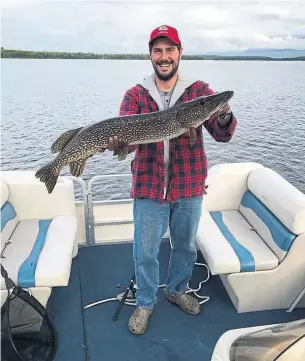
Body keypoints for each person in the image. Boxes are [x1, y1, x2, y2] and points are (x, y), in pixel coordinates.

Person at [105, 25, 237, 335]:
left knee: (185, 247)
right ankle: (146, 302)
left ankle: (177, 289)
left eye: (170, 50)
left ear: (179, 53)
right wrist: (118, 142)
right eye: (158, 51)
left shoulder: (200, 92)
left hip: (189, 187)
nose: (164, 57)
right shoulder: (135, 94)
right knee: (145, 251)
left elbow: (222, 135)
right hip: (149, 187)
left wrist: (222, 114)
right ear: (151, 55)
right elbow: (130, 143)